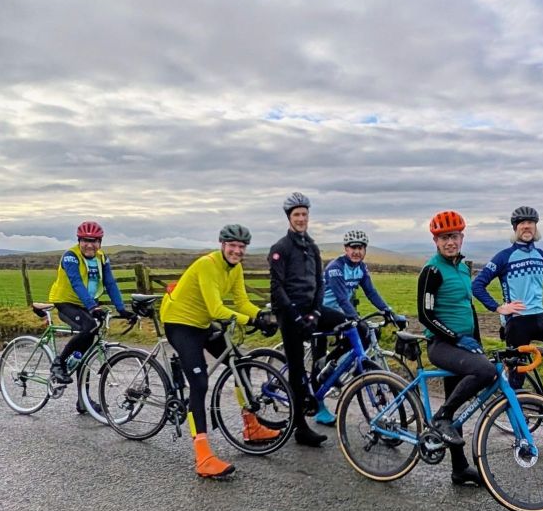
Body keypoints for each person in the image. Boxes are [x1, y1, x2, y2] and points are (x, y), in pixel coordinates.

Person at [160, 224, 279, 478]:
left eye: (241, 247)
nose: (237, 251)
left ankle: (251, 427)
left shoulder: (235, 268)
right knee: (200, 383)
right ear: (222, 245)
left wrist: (262, 316)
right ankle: (203, 457)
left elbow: (242, 302)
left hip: (202, 324)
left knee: (240, 364)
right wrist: (251, 321)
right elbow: (216, 309)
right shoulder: (207, 265)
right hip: (180, 323)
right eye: (232, 245)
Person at [471, 206, 543, 402]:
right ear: (515, 228)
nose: (527, 226)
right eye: (522, 223)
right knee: (517, 379)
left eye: (531, 223)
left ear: (535, 227)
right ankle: (511, 412)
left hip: (540, 320)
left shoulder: (541, 255)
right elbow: (477, 285)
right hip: (517, 324)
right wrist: (498, 307)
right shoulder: (504, 257)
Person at [416, 211, 495, 487]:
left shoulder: (462, 268)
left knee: (457, 400)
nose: (450, 242)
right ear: (435, 241)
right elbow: (425, 316)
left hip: (463, 344)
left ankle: (459, 469)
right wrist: (455, 338)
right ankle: (441, 417)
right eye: (444, 238)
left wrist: (476, 341)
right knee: (485, 372)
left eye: (454, 236)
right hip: (442, 345)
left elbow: (468, 308)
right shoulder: (432, 271)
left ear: (462, 238)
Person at [311, 229, 405, 426]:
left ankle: (337, 364)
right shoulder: (336, 268)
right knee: (321, 358)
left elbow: (371, 292)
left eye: (360, 248)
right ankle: (319, 402)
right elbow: (341, 298)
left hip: (339, 314)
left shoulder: (361, 268)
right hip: (321, 312)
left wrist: (389, 312)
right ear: (346, 249)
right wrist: (355, 317)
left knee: (365, 333)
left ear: (365, 250)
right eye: (353, 247)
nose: (356, 251)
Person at [268, 192, 338, 447]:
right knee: (297, 370)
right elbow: (277, 288)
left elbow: (320, 283)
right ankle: (300, 427)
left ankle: (324, 373)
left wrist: (316, 313)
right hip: (290, 314)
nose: (301, 218)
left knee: (354, 328)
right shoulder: (280, 248)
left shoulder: (312, 247)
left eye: (304, 214)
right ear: (289, 217)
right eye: (296, 214)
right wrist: (298, 318)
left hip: (310, 311)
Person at [47, 221, 134, 398]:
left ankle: (83, 401)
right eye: (85, 240)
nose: (89, 245)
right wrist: (93, 307)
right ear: (79, 241)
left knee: (84, 353)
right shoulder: (71, 257)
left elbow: (110, 283)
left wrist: (122, 309)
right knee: (89, 327)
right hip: (66, 302)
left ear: (100, 242)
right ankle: (59, 363)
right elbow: (77, 284)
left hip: (86, 304)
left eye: (93, 241)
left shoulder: (102, 258)